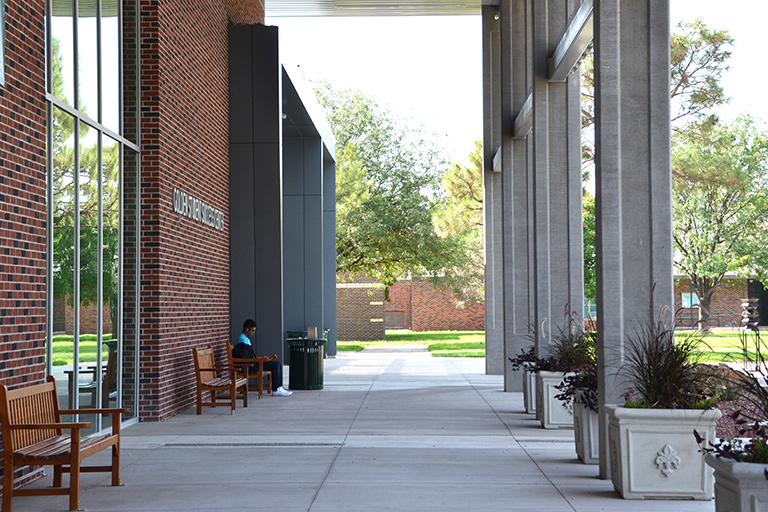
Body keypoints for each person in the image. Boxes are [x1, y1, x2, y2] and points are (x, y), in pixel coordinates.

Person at [233, 319, 292, 397]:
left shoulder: (245, 339)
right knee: (276, 364)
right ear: (247, 329)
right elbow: (247, 358)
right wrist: (260, 359)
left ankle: (279, 387)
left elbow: (249, 356)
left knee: (277, 363)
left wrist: (262, 357)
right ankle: (276, 389)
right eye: (253, 330)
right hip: (249, 366)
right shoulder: (242, 340)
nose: (253, 333)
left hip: (252, 363)